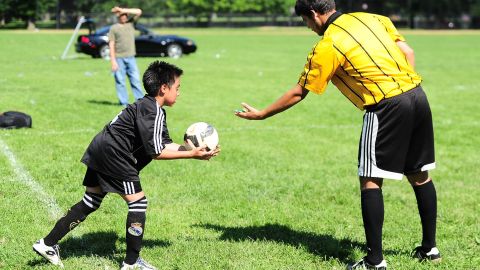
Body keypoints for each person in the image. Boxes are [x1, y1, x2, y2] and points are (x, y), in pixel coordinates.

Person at [235, 1, 440, 269]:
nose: (308, 27)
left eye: (305, 21)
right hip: (417, 96)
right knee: (419, 174)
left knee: (370, 181)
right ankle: (430, 249)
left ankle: (374, 262)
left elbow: (299, 92)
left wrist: (262, 114)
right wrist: (402, 86)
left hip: (385, 106)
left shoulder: (328, 43)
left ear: (313, 14)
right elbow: (407, 51)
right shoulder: (373, 18)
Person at [33, 61, 220, 270]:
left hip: (100, 148)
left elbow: (164, 143)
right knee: (138, 204)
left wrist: (193, 152)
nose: (179, 93)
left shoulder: (148, 106)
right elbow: (157, 152)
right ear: (164, 88)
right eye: (177, 88)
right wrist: (192, 154)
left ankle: (47, 244)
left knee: (91, 201)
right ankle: (131, 263)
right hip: (115, 155)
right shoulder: (153, 111)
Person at [109, 6, 145, 106]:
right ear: (118, 17)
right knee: (120, 81)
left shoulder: (131, 24)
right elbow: (111, 44)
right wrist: (113, 61)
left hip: (131, 58)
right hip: (119, 58)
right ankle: (123, 103)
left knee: (136, 81)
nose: (123, 17)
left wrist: (123, 10)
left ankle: (140, 102)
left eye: (125, 15)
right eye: (121, 15)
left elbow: (139, 11)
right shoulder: (113, 28)